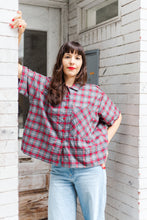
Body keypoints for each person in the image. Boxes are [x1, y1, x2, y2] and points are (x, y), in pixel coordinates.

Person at [10, 11, 122, 220]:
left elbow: (116, 117)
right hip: (60, 171)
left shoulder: (93, 92)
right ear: (61, 60)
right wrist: (18, 34)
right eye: (68, 56)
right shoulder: (45, 86)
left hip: (90, 169)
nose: (73, 61)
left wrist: (103, 143)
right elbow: (13, 68)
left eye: (78, 57)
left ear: (82, 63)